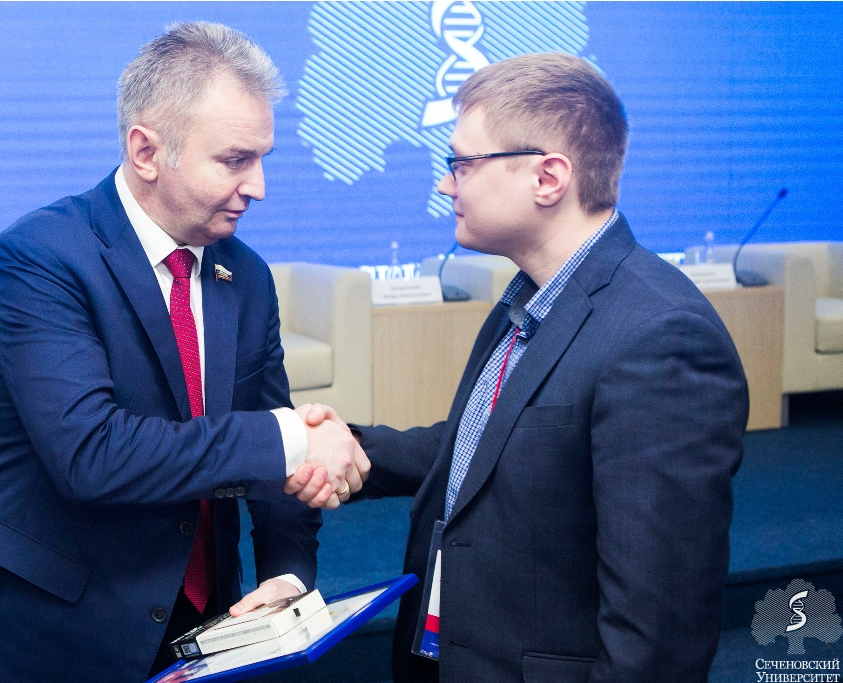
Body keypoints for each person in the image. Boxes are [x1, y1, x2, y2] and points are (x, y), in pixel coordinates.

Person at [0, 22, 365, 683]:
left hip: (201, 626)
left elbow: (275, 465)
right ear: (146, 151)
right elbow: (90, 455)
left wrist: (287, 571)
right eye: (235, 160)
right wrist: (293, 437)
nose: (259, 186)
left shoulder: (246, 276)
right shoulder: (44, 255)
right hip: (53, 629)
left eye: (262, 158)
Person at [316, 53, 748, 681]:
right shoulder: (530, 297)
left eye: (462, 164)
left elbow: (658, 635)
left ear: (548, 178)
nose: (447, 185)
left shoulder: (662, 337)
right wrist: (343, 446)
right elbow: (486, 448)